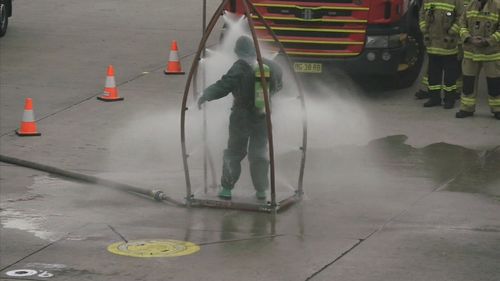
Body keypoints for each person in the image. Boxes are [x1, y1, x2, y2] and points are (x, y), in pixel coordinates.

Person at [197, 36, 283, 200]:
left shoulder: (240, 67)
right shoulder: (271, 65)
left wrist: (205, 95)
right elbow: (279, 85)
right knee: (259, 152)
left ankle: (226, 189)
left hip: (241, 116)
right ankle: (261, 190)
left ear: (238, 52)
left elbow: (225, 85)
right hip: (262, 115)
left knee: (234, 151)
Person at [456, 0, 500, 119]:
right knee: (468, 83)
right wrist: (469, 38)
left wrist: (488, 41)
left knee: (494, 83)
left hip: (491, 53)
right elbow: (461, 24)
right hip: (471, 52)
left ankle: (497, 109)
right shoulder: (470, 5)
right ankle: (467, 108)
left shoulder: (497, 6)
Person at [419, 0, 464, 108]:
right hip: (432, 46)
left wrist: (452, 30)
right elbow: (421, 14)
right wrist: (424, 28)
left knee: (450, 76)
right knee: (433, 75)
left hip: (448, 46)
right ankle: (434, 98)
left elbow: (462, 17)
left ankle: (449, 99)